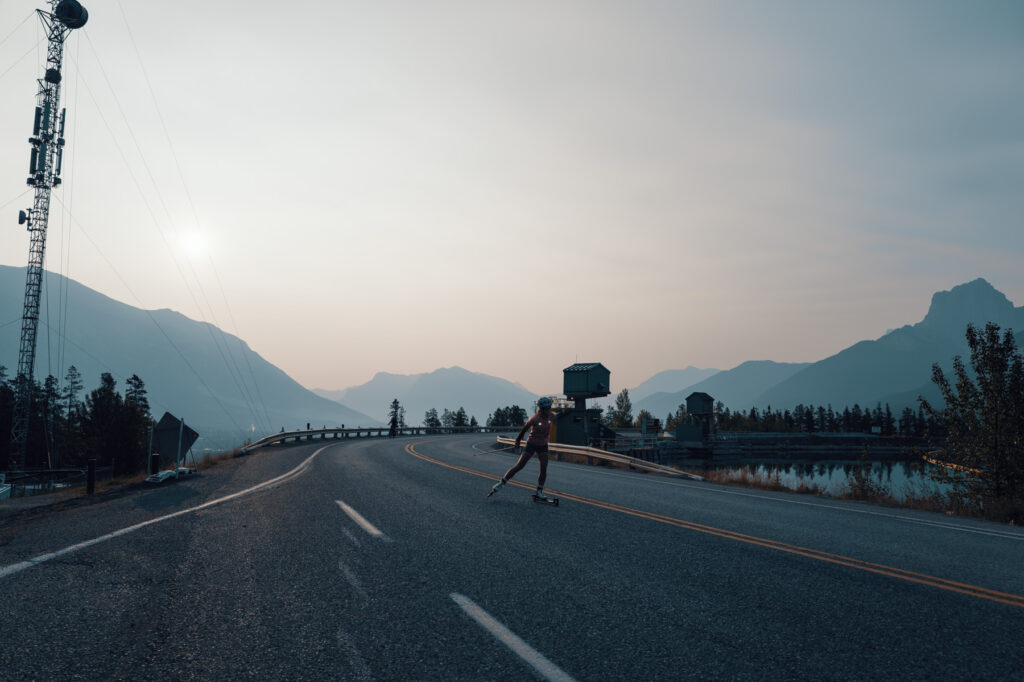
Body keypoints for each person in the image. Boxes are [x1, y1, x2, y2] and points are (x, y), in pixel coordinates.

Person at [489, 397, 554, 500]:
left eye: (549, 408)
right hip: (531, 444)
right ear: (541, 409)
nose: (549, 410)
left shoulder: (551, 416)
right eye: (547, 408)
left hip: (543, 445)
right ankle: (501, 483)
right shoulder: (534, 419)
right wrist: (518, 441)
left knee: (544, 469)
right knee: (519, 466)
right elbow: (524, 430)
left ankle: (539, 491)